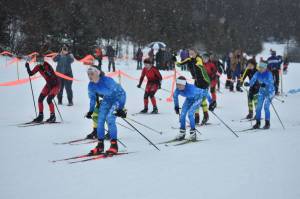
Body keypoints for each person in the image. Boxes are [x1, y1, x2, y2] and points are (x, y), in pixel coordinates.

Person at [85, 66, 127, 155]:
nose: (90, 76)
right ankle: (100, 145)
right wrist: (91, 111)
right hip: (107, 99)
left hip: (118, 98)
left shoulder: (107, 80)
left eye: (92, 74)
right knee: (100, 120)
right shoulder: (91, 85)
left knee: (110, 118)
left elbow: (121, 93)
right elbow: (92, 98)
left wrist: (120, 108)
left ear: (98, 73)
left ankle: (114, 145)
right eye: (88, 74)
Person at [173, 76, 216, 141]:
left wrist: (211, 102)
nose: (178, 87)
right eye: (177, 84)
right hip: (189, 99)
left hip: (198, 99)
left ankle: (193, 134)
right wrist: (176, 106)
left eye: (180, 85)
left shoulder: (192, 88)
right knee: (182, 114)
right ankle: (182, 133)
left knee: (190, 114)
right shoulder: (177, 90)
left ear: (184, 84)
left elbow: (205, 92)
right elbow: (175, 97)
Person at [176, 49, 211, 125]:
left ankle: (206, 115)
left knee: (202, 99)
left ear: (196, 53)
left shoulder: (198, 59)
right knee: (196, 99)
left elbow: (200, 63)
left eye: (193, 53)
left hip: (203, 81)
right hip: (197, 81)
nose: (191, 55)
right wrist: (176, 62)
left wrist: (199, 65)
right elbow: (180, 64)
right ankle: (197, 117)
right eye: (190, 53)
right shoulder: (189, 59)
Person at [25, 54, 60, 123]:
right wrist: (27, 66)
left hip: (56, 85)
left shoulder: (47, 65)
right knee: (40, 99)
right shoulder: (38, 67)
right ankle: (40, 116)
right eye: (38, 61)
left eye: (41, 61)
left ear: (43, 60)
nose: (39, 63)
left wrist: (47, 72)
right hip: (48, 85)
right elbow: (31, 73)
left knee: (49, 99)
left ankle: (53, 116)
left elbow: (52, 77)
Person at [244, 60, 275, 129]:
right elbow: (253, 80)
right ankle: (258, 123)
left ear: (265, 68)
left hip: (270, 92)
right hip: (262, 92)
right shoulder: (257, 73)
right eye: (259, 67)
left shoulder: (269, 73)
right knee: (258, 108)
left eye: (261, 68)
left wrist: (265, 83)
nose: (260, 69)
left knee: (266, 107)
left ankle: (267, 123)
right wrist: (249, 84)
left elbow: (271, 82)